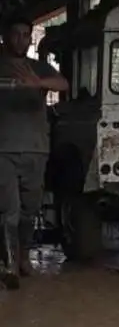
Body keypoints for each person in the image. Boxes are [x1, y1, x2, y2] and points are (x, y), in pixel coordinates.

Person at [0, 16, 69, 288]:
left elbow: (64, 84)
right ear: (5, 37)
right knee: (9, 211)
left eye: (25, 35)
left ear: (30, 39)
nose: (20, 39)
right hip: (3, 149)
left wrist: (37, 83)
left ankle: (22, 255)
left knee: (30, 210)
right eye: (15, 34)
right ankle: (9, 265)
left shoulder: (39, 67)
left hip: (36, 149)